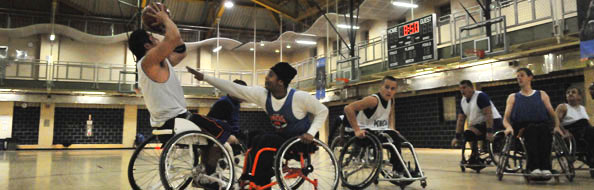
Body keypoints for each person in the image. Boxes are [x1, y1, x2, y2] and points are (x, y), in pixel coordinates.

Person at [128, 3, 237, 188]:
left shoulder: (159, 61)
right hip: (177, 119)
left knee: (212, 137)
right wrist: (165, 19)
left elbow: (181, 50)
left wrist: (165, 26)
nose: (156, 38)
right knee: (227, 134)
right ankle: (206, 175)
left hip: (171, 121)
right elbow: (174, 38)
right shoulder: (148, 61)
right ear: (147, 45)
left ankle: (205, 171)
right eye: (152, 37)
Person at [186, 62, 329, 188]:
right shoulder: (263, 95)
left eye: (271, 75)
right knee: (254, 136)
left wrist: (311, 132)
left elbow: (323, 111)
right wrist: (205, 77)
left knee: (266, 140)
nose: (266, 77)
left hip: (300, 141)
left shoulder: (299, 97)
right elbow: (234, 88)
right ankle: (249, 176)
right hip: (282, 138)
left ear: (280, 82)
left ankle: (261, 182)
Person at [502, 68, 563, 176]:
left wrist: (557, 126)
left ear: (530, 77)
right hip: (522, 128)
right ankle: (533, 167)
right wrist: (508, 127)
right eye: (517, 76)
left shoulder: (542, 94)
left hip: (541, 125)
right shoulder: (513, 97)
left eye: (522, 75)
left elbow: (553, 115)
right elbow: (506, 118)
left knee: (544, 130)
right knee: (532, 129)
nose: (519, 78)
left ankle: (545, 167)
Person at [343, 76, 407, 175]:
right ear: (380, 87)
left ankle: (399, 167)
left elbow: (391, 115)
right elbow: (348, 108)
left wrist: (391, 128)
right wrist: (356, 130)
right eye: (386, 87)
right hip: (363, 133)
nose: (389, 91)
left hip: (377, 132)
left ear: (395, 91)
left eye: (392, 89)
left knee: (397, 137)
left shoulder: (391, 100)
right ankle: (399, 169)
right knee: (392, 137)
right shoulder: (373, 100)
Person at [451, 80, 503, 165]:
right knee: (468, 133)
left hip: (494, 122)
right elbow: (460, 119)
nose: (462, 91)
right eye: (460, 88)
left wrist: (489, 131)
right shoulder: (463, 101)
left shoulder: (480, 96)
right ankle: (474, 155)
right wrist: (457, 136)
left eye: (464, 88)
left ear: (471, 88)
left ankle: (496, 153)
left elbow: (488, 114)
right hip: (479, 125)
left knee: (485, 133)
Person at [555, 87, 594, 167]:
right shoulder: (563, 107)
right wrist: (564, 132)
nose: (570, 94)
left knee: (590, 131)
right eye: (568, 92)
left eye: (573, 92)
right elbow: (556, 122)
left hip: (586, 131)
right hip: (573, 133)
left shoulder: (583, 108)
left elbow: (587, 123)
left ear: (579, 96)